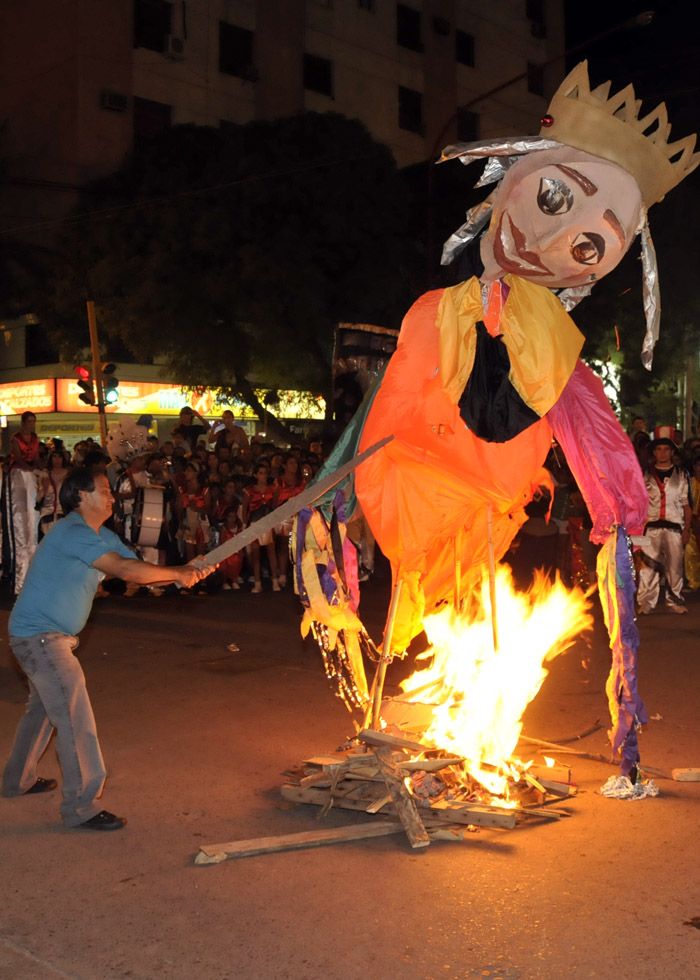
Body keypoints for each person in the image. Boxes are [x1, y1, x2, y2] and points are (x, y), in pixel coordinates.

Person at [1, 467, 214, 830]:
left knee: (43, 711)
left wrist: (185, 571)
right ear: (81, 496)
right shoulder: (73, 531)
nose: (113, 497)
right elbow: (125, 571)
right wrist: (178, 573)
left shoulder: (101, 536)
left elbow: (137, 568)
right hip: (40, 638)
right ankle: (81, 806)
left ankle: (15, 780)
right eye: (104, 491)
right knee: (73, 714)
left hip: (43, 636)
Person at [637, 436, 692, 615]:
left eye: (666, 449)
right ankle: (646, 601)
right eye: (659, 449)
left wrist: (687, 529)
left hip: (675, 526)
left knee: (675, 566)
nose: (662, 453)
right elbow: (638, 503)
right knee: (647, 567)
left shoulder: (682, 474)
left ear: (672, 452)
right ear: (654, 453)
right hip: (650, 527)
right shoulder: (644, 474)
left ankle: (674, 599)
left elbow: (686, 505)